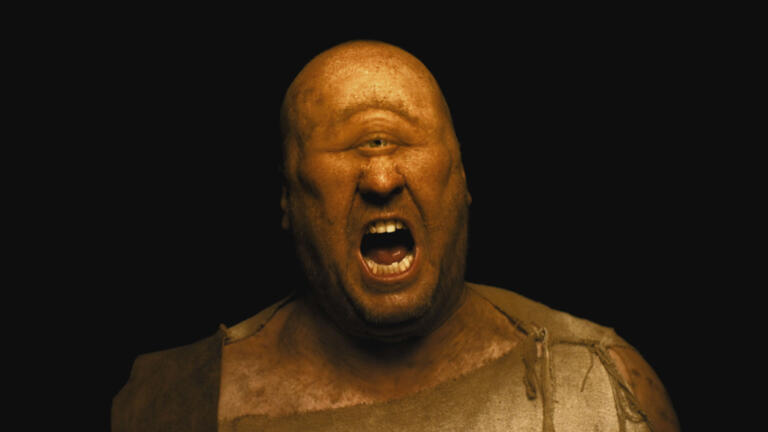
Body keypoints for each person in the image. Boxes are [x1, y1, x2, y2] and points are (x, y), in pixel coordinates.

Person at [112, 40, 679, 432]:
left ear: (463, 179)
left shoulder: (601, 383)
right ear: (287, 199)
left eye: (404, 141)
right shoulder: (168, 402)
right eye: (346, 147)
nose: (381, 179)